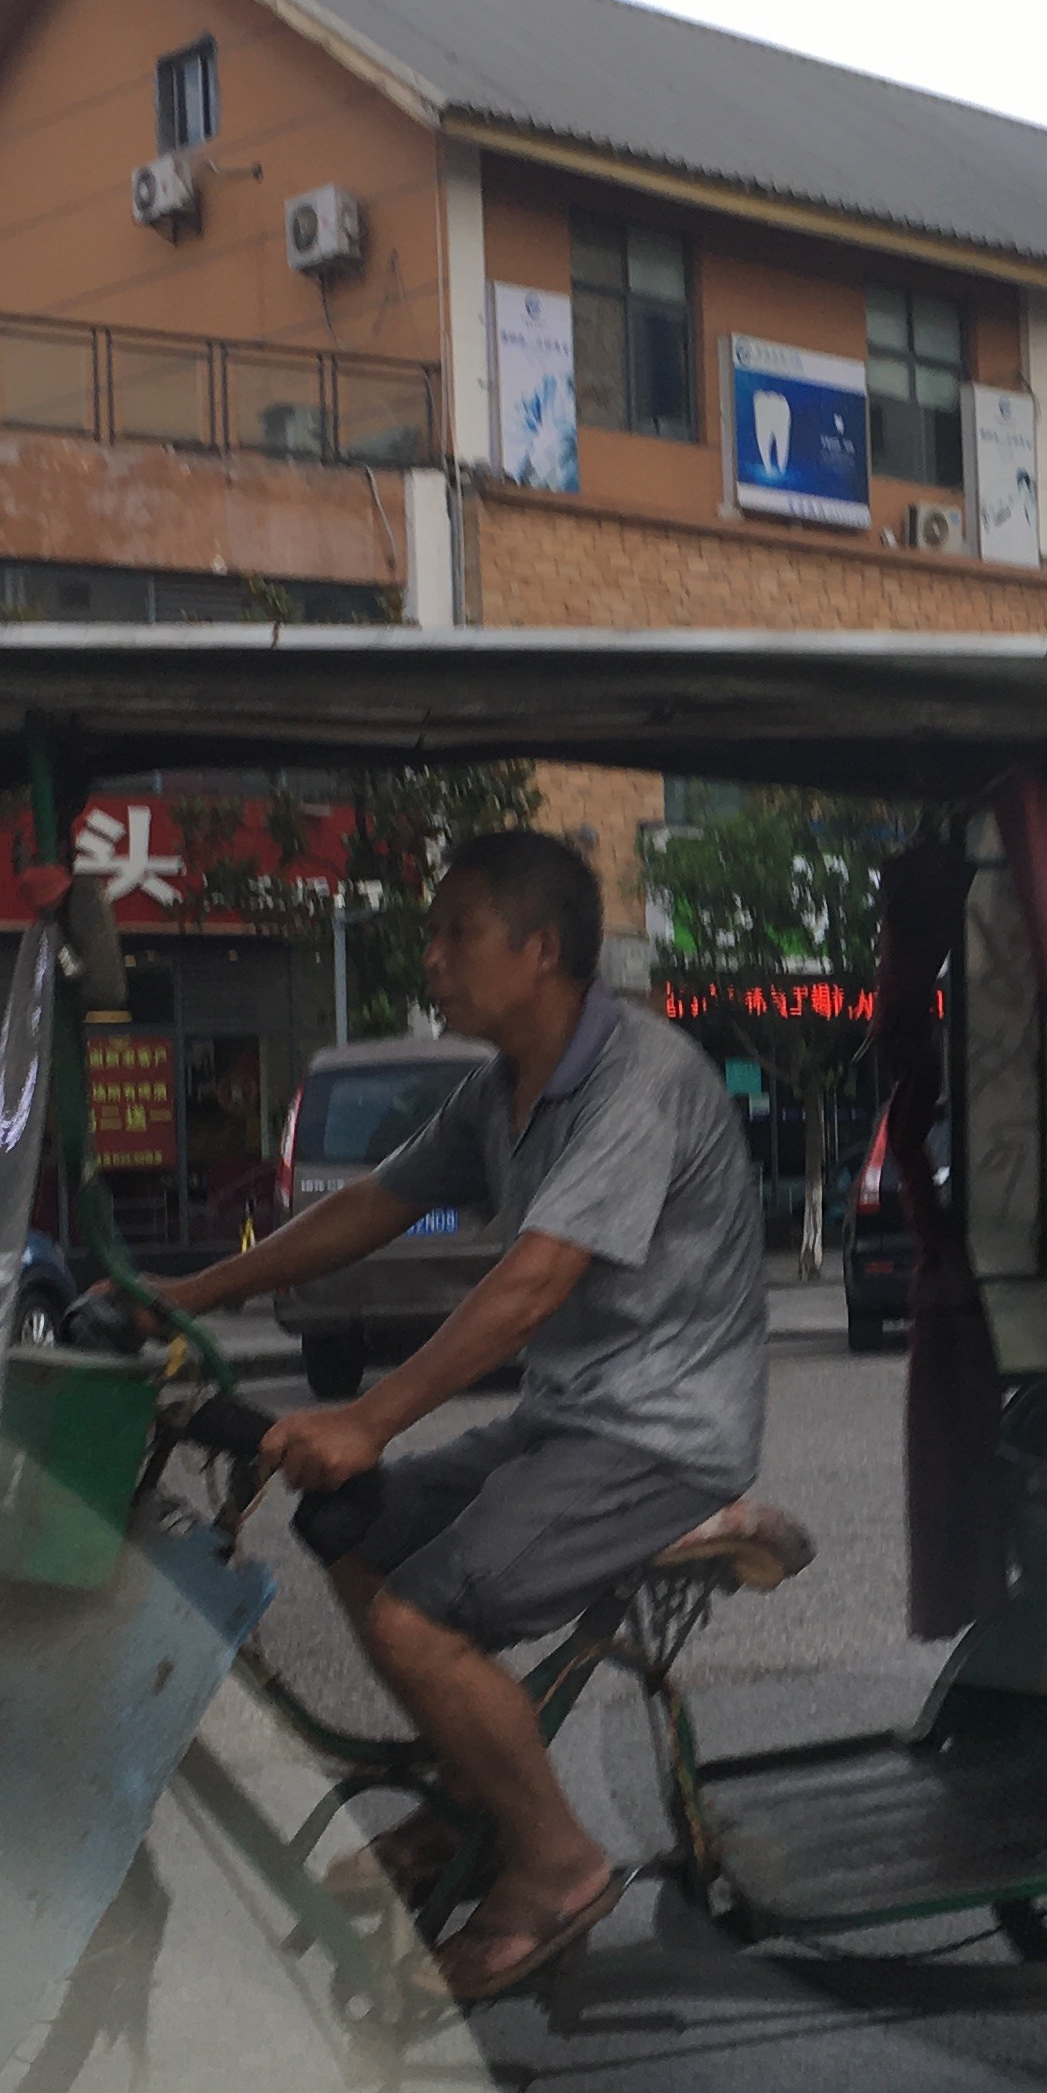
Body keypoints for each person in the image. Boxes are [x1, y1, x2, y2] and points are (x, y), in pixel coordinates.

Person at [157, 832, 769, 2004]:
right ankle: (469, 1798)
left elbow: (532, 1283)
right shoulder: (501, 1091)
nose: (429, 959)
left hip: (662, 1435)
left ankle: (557, 1862)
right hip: (572, 1420)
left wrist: (373, 1415)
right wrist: (178, 1297)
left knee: (420, 1617)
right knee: (345, 1522)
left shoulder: (638, 1079)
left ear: (541, 950)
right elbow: (369, 1209)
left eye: (455, 935)